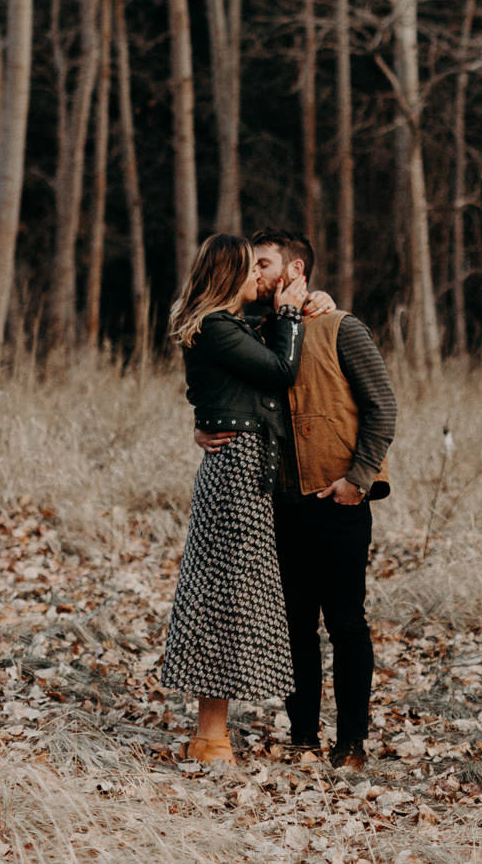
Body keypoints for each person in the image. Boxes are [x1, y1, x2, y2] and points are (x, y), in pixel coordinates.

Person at [200, 228, 395, 770]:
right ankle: (304, 735)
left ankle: (352, 742)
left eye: (265, 264)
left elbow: (382, 408)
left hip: (338, 500)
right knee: (295, 627)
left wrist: (358, 479)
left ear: (297, 273)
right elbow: (221, 388)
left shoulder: (340, 328)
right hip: (278, 504)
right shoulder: (254, 332)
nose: (256, 275)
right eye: (251, 266)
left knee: (347, 623)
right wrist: (203, 427)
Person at [156, 233, 308, 767]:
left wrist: (308, 305)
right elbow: (280, 370)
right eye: (249, 271)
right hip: (236, 472)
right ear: (228, 277)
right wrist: (290, 317)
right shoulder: (217, 326)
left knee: (231, 595)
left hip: (243, 466)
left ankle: (212, 733)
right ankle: (210, 736)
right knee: (224, 596)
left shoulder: (226, 326)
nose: (257, 279)